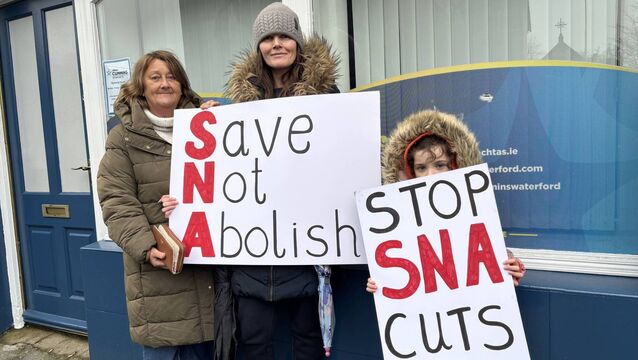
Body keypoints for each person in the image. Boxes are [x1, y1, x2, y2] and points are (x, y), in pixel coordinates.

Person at [216, 3, 338, 360]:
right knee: (253, 347)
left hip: (308, 252)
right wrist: (210, 127)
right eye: (268, 38)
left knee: (309, 345)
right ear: (258, 47)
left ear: (297, 42)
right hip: (253, 255)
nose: (277, 44)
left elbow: (340, 162)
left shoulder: (327, 97)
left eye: (285, 35)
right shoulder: (239, 107)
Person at [97, 50, 215, 360]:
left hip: (209, 278)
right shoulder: (122, 139)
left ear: (182, 85)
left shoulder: (207, 129)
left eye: (172, 76)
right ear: (141, 87)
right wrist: (149, 248)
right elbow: (117, 202)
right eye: (156, 77)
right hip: (159, 279)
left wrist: (225, 124)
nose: (165, 83)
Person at [366, 109, 526, 293]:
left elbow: (488, 250)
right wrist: (381, 281)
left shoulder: (473, 205)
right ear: (412, 172)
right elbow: (398, 263)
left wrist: (511, 266)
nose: (430, 174)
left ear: (454, 165)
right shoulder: (400, 216)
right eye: (421, 168)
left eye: (440, 165)